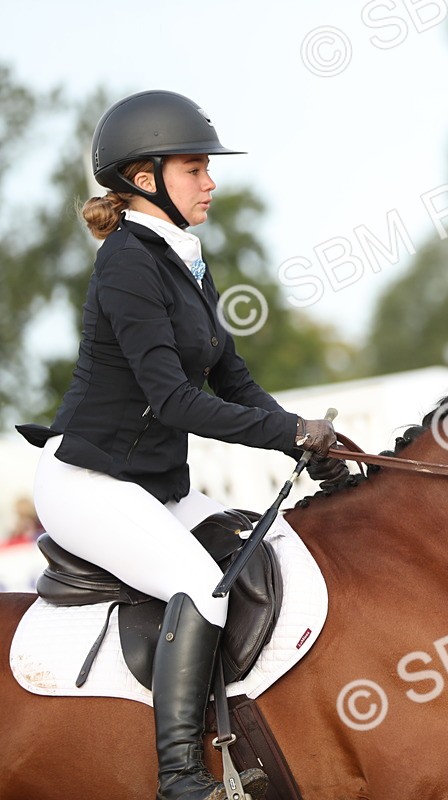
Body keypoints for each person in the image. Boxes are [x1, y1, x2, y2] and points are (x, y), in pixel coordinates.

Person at [16, 90, 347, 800]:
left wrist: (302, 441)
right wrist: (288, 432)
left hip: (158, 483)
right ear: (144, 179)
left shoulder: (184, 260)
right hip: (90, 482)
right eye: (195, 168)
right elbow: (172, 400)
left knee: (272, 552)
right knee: (202, 586)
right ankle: (181, 778)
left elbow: (235, 382)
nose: (211, 182)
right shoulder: (127, 264)